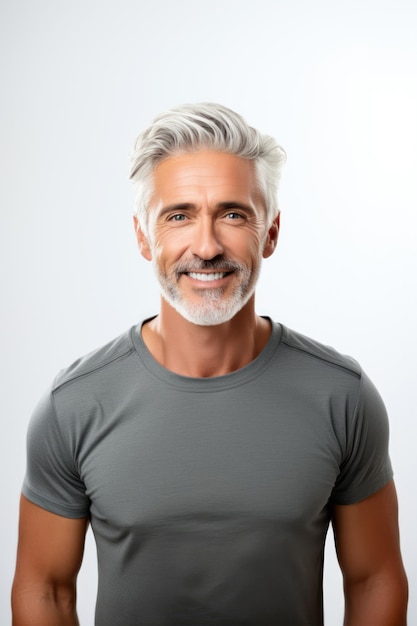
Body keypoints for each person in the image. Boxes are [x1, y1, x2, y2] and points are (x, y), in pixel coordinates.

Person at [12, 103, 408, 626]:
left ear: (270, 232)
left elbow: (374, 578)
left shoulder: (342, 396)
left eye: (233, 214)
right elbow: (45, 588)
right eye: (178, 216)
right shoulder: (75, 405)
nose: (206, 245)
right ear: (142, 236)